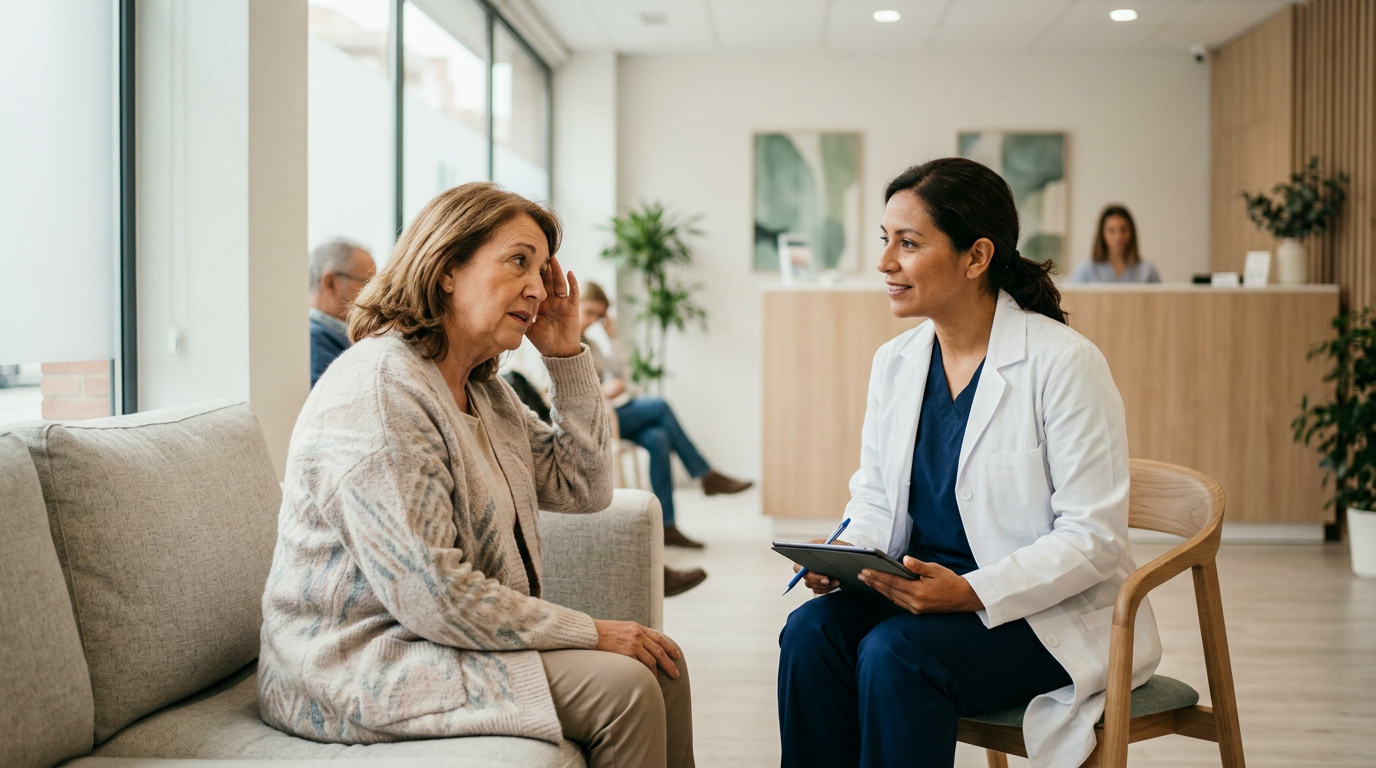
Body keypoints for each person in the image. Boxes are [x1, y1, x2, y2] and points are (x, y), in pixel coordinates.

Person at [260, 182, 695, 768]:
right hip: (360, 666)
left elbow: (584, 487)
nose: (540, 289)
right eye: (519, 261)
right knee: (626, 687)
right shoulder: (383, 390)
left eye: (543, 270)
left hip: (440, 644)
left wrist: (566, 355)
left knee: (662, 666)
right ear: (447, 266)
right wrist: (590, 631)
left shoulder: (482, 389)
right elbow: (434, 596)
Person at [777, 158, 1161, 768]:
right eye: (886, 241)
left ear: (976, 256)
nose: (885, 263)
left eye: (908, 243)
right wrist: (846, 556)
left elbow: (1094, 538)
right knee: (810, 635)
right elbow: (875, 496)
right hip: (918, 591)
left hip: (1035, 613)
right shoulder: (896, 362)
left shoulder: (1063, 364)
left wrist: (972, 592)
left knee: (895, 653)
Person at [576, 281, 753, 551]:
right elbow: (551, 392)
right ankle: (705, 475)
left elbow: (622, 374)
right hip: (592, 420)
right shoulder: (558, 341)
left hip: (611, 414)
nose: (591, 321)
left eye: (597, 316)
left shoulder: (592, 345)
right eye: (588, 312)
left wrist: (612, 337)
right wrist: (602, 392)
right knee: (659, 406)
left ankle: (667, 527)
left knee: (658, 438)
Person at [308, 237, 377, 387]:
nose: (375, 294)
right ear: (330, 283)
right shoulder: (314, 343)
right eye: (367, 283)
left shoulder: (330, 337)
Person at [1069, 204, 1161, 283]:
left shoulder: (1148, 271)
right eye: (1111, 230)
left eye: (1123, 230)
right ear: (1102, 234)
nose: (1118, 237)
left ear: (1132, 233)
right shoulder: (1086, 270)